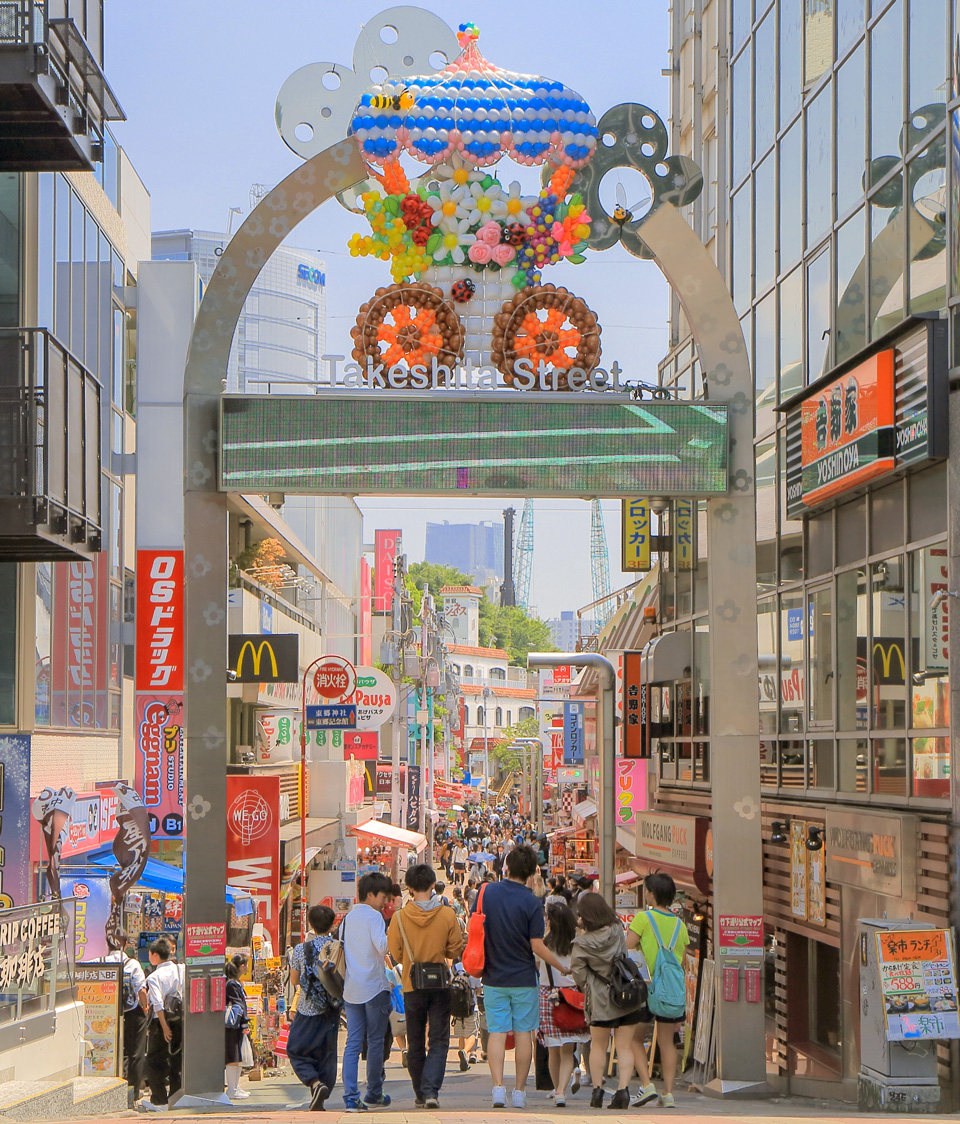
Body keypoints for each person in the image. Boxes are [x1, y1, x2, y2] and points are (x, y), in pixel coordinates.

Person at [470, 844, 566, 1109]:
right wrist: (561, 966)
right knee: (525, 1034)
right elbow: (537, 945)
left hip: (493, 976)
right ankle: (520, 1091)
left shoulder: (486, 892)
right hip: (524, 977)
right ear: (531, 872)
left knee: (498, 1033)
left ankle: (498, 1088)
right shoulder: (532, 902)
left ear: (507, 867)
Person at [387, 864, 464, 1109]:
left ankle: (420, 1092)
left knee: (416, 1040)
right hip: (439, 983)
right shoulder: (447, 914)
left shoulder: (399, 918)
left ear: (409, 888)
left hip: (411, 984)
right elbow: (454, 949)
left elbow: (396, 954)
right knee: (439, 1039)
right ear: (433, 885)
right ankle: (431, 1091)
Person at [570, 893, 644, 1110]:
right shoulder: (617, 930)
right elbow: (623, 957)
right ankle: (623, 1092)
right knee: (624, 1047)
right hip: (625, 995)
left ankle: (597, 1091)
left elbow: (579, 976)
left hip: (600, 1000)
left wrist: (591, 985)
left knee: (598, 1046)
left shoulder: (581, 943)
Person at [626, 873, 690, 1109]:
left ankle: (647, 1084)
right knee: (667, 1042)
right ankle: (669, 1093)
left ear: (652, 894)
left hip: (647, 986)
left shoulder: (643, 919)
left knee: (635, 1038)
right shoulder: (679, 925)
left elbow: (627, 945)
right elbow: (681, 961)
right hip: (671, 990)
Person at [341, 871, 394, 1111]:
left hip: (351, 989)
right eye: (384, 896)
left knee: (353, 1043)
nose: (386, 901)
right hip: (374, 987)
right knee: (374, 1042)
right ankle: (374, 1092)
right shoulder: (374, 917)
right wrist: (391, 926)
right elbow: (383, 947)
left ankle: (351, 1096)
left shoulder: (347, 918)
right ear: (371, 894)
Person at [287, 904, 342, 1112]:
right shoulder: (338, 947)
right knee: (327, 1052)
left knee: (295, 1048)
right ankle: (322, 1089)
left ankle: (315, 1083)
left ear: (311, 924)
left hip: (308, 1008)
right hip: (333, 1008)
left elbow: (293, 981)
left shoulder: (301, 949)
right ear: (332, 924)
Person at [537, 904, 589, 1106]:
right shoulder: (577, 945)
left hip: (547, 995)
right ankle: (561, 1091)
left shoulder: (544, 944)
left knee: (552, 1049)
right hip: (571, 998)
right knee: (568, 1049)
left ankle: (557, 1088)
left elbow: (537, 965)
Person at [102, 932, 148, 1099]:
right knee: (135, 1051)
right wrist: (146, 1008)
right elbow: (141, 990)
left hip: (108, 1012)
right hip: (133, 1012)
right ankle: (133, 1092)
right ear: (126, 945)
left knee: (113, 1050)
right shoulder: (133, 963)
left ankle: (113, 1088)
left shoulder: (102, 962)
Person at [142, 937, 183, 1111]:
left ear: (155, 955)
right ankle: (176, 1098)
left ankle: (159, 1100)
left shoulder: (154, 976)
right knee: (177, 1059)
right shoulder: (180, 969)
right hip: (180, 1019)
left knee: (154, 1060)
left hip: (162, 1023)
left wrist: (165, 1027)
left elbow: (158, 1003)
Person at [224, 958, 250, 1101]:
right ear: (241, 966)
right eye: (246, 965)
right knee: (233, 1056)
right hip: (233, 1025)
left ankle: (235, 1086)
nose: (247, 968)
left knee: (237, 1057)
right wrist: (244, 1022)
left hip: (235, 1025)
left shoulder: (233, 983)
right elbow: (238, 1004)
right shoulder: (232, 984)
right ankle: (232, 1089)